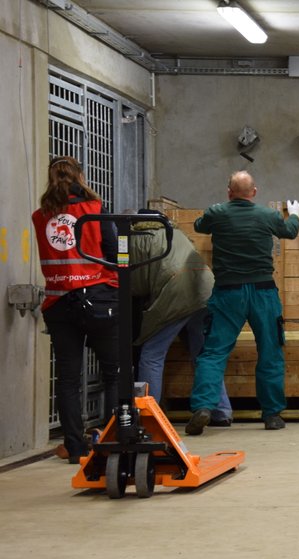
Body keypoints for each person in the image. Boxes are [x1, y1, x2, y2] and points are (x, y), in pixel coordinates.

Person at [185, 170, 299, 435]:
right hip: (263, 293)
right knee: (270, 352)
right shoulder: (269, 216)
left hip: (228, 294)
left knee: (213, 353)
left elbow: (199, 225)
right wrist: (295, 214)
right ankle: (272, 415)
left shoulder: (217, 213)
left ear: (229, 192)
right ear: (255, 192)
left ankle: (203, 407)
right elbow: (290, 232)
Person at [32, 156, 120, 463]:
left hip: (59, 305)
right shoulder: (95, 209)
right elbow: (114, 250)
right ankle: (111, 441)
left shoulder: (41, 216)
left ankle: (74, 446)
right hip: (98, 300)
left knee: (68, 380)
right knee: (113, 372)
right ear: (80, 176)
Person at [129, 209, 233, 426]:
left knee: (151, 353)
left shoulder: (137, 239)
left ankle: (149, 417)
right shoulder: (176, 233)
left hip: (176, 294)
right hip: (205, 289)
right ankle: (220, 410)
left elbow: (136, 284)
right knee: (204, 354)